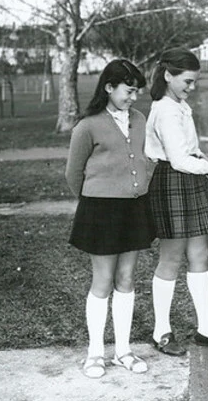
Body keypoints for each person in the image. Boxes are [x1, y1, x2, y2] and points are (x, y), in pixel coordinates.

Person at [145, 49, 208, 354]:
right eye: (187, 81)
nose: (192, 87)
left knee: (200, 255)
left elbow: (190, 150)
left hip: (191, 180)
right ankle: (161, 331)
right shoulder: (164, 109)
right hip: (173, 181)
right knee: (172, 258)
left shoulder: (181, 106)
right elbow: (177, 160)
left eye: (194, 81)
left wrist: (206, 160)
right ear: (168, 76)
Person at [65, 59, 154, 379]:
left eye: (137, 92)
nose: (134, 97)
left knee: (127, 279)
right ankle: (94, 354)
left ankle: (123, 351)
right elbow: (73, 174)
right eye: (129, 91)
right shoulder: (88, 125)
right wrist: (95, 202)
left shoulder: (140, 119)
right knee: (102, 281)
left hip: (134, 208)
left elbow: (143, 158)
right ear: (108, 88)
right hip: (100, 210)